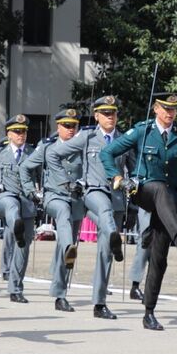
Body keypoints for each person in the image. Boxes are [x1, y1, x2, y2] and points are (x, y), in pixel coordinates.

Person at [101, 93, 177, 331]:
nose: (170, 113)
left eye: (173, 109)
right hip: (142, 189)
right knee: (160, 190)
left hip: (169, 203)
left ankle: (149, 312)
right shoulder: (142, 131)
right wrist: (118, 177)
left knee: (159, 258)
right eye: (165, 108)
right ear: (155, 108)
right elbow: (107, 153)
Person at [46, 97, 132, 318]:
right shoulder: (87, 136)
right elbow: (54, 154)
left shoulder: (124, 139)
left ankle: (99, 303)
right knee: (70, 243)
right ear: (97, 116)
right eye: (105, 113)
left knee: (105, 250)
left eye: (113, 113)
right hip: (91, 193)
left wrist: (135, 182)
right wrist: (64, 182)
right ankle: (60, 293)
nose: (110, 117)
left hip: (116, 199)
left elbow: (135, 167)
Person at [21, 109, 85, 313]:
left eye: (74, 126)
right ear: (58, 127)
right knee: (64, 222)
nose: (70, 130)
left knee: (66, 247)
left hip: (76, 199)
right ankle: (62, 290)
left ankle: (59, 292)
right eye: (66, 126)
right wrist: (31, 191)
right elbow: (25, 167)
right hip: (54, 197)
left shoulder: (82, 147)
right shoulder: (47, 147)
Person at [0, 115, 35, 301]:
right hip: (6, 196)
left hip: (26, 201)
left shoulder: (33, 153)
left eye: (24, 131)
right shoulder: (0, 153)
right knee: (12, 207)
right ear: (8, 134)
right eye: (17, 131)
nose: (21, 135)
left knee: (23, 247)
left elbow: (43, 173)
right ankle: (15, 225)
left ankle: (16, 288)